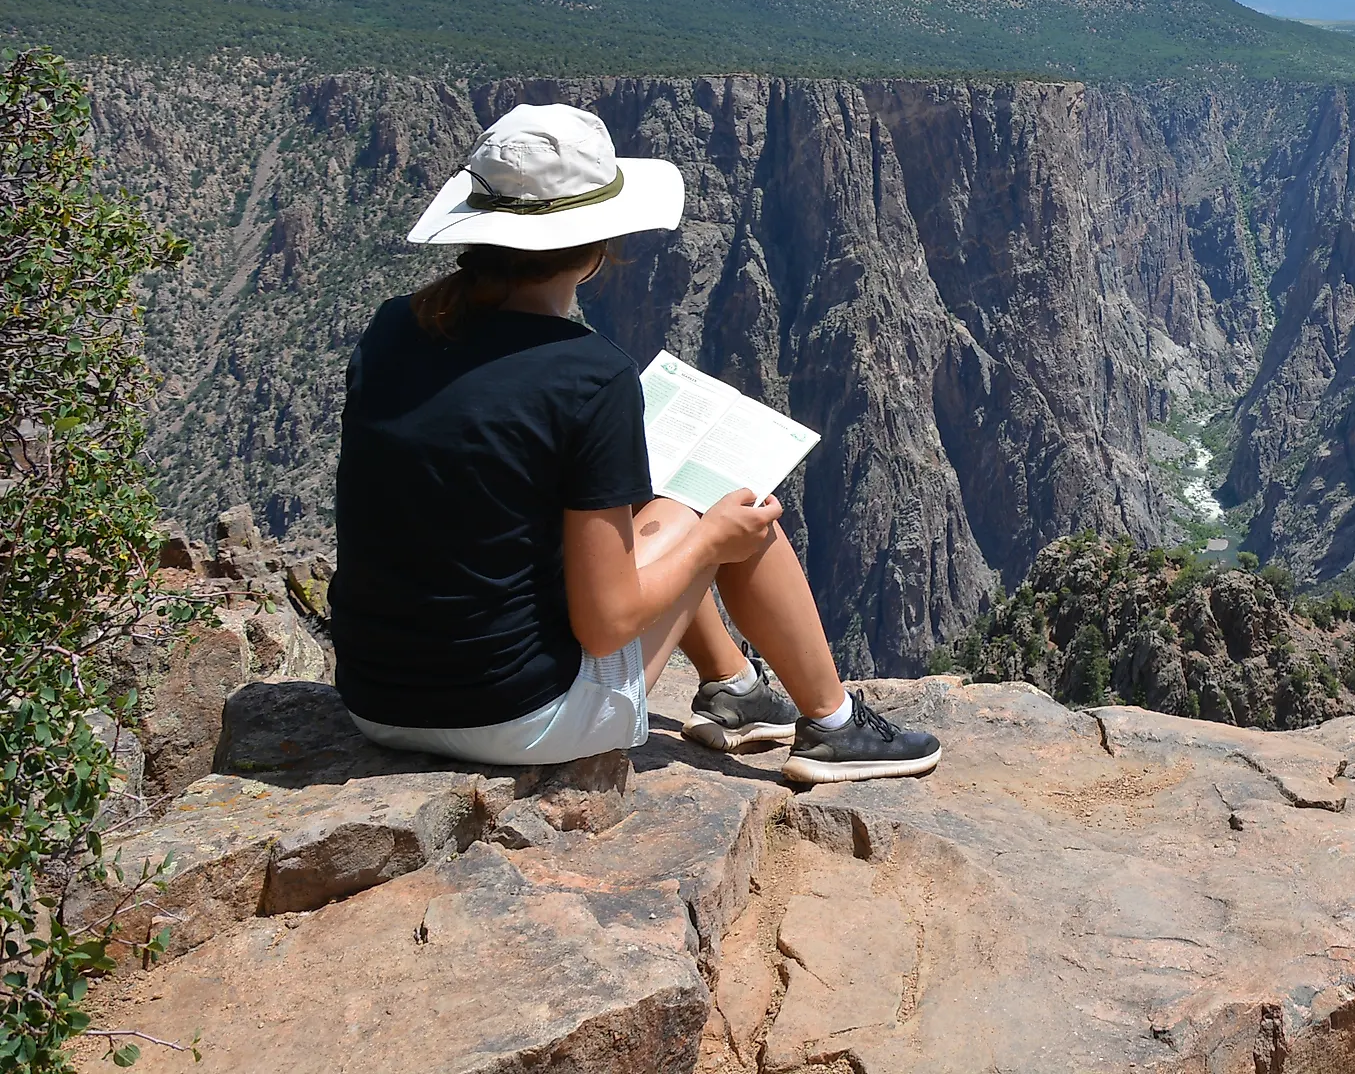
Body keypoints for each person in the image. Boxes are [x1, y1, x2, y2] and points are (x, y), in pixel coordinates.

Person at [328, 102, 940, 784]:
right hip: (513, 720)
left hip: (373, 701)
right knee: (725, 508)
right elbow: (607, 623)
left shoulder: (391, 330)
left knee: (653, 504)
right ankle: (832, 724)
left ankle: (734, 689)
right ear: (596, 249)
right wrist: (714, 542)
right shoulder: (589, 377)